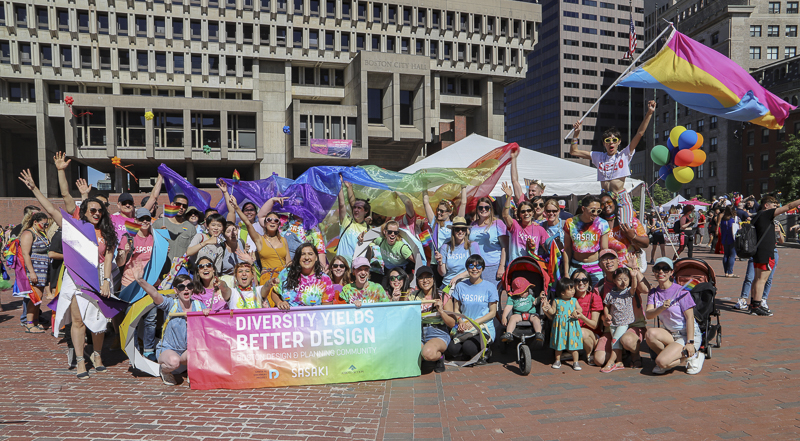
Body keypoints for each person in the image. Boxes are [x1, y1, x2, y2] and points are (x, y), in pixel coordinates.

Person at [19, 169, 117, 379]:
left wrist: (107, 281)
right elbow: (52, 210)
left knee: (99, 321)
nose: (96, 213)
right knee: (78, 320)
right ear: (85, 211)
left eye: (100, 210)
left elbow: (108, 259)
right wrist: (34, 188)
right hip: (77, 278)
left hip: (99, 277)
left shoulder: (107, 232)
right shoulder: (75, 227)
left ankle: (97, 355)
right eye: (92, 210)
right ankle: (81, 360)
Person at [570, 100, 656, 225]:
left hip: (620, 197)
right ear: (604, 143)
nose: (611, 143)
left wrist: (649, 113)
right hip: (605, 198)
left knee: (625, 227)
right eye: (607, 140)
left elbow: (640, 133)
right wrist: (576, 134)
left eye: (614, 140)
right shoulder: (598, 156)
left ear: (619, 142)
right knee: (603, 230)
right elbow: (574, 152)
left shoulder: (624, 154)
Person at [135, 272, 199, 386]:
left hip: (187, 351)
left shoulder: (199, 306)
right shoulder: (171, 304)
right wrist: (140, 280)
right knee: (174, 362)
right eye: (181, 287)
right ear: (176, 290)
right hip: (169, 349)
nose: (186, 289)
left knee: (198, 353)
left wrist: (207, 313)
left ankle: (192, 370)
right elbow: (155, 294)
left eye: (189, 286)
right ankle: (164, 370)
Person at [645, 257, 705, 375]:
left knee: (660, 362)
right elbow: (648, 315)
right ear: (654, 271)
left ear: (671, 272)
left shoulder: (681, 291)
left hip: (686, 334)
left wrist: (690, 342)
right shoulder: (654, 293)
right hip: (670, 333)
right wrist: (661, 308)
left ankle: (693, 356)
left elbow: (690, 318)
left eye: (665, 269)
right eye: (657, 268)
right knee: (650, 334)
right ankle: (674, 358)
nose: (661, 272)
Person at [745, 195, 800, 316]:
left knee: (757, 278)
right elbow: (789, 206)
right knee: (761, 279)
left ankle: (754, 303)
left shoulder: (758, 215)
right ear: (766, 205)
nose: (777, 208)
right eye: (774, 206)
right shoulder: (766, 214)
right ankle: (757, 306)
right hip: (765, 251)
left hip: (758, 251)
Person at [593, 249, 646, 369]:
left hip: (633, 324)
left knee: (627, 340)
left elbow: (646, 289)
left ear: (618, 261)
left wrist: (635, 270)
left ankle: (635, 356)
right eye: (604, 259)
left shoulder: (629, 279)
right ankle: (621, 355)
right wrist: (605, 318)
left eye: (611, 258)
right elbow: (601, 309)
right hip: (613, 325)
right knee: (599, 359)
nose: (608, 262)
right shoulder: (600, 286)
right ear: (600, 264)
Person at [116, 207, 157, 361]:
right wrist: (124, 252)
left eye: (147, 219)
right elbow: (120, 263)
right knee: (132, 318)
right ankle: (133, 351)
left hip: (150, 283)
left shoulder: (155, 237)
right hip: (130, 283)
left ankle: (148, 351)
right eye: (141, 219)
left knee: (151, 318)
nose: (144, 222)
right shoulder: (128, 237)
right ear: (136, 221)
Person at [447, 255, 499, 364]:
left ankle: (486, 351)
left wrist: (474, 322)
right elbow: (456, 309)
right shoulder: (460, 286)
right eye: (471, 266)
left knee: (468, 347)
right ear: (467, 268)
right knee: (452, 349)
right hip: (465, 325)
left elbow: (493, 313)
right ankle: (469, 354)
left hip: (482, 326)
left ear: (483, 268)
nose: (474, 269)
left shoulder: (490, 287)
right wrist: (460, 321)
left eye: (478, 266)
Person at [407, 266, 456, 373]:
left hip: (438, 332)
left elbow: (452, 323)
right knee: (408, 354)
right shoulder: (413, 296)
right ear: (417, 281)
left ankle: (439, 357)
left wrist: (441, 311)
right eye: (421, 278)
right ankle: (423, 356)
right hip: (418, 332)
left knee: (427, 353)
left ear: (433, 279)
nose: (425, 280)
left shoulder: (443, 295)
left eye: (428, 277)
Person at [257, 195, 328, 267]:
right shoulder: (282, 221)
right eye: (295, 204)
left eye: (301, 204)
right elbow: (262, 217)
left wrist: (322, 268)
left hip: (304, 269)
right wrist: (272, 200)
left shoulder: (312, 226)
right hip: (282, 269)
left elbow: (320, 249)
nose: (298, 207)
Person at [736, 219, 785, 312]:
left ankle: (763, 299)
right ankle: (744, 298)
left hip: (771, 252)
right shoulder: (758, 221)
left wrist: (778, 231)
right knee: (750, 277)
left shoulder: (776, 223)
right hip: (757, 251)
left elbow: (781, 241)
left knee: (768, 279)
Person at [563, 195, 610, 285]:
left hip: (596, 268)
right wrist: (566, 273)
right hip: (576, 267)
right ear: (583, 208)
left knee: (597, 295)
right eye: (592, 210)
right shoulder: (570, 222)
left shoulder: (602, 223)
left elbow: (604, 249)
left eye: (598, 210)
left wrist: (606, 271)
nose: (595, 213)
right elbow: (567, 249)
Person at [271, 243, 335, 309]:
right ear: (298, 258)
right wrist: (279, 302)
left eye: (310, 254)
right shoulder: (286, 273)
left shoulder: (324, 279)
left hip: (313, 318)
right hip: (287, 317)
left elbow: (327, 306)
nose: (306, 257)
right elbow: (274, 292)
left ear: (316, 258)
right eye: (302, 254)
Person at [600, 267, 638, 373]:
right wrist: (607, 315)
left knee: (615, 340)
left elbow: (634, 287)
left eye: (626, 279)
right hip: (614, 322)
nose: (623, 282)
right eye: (620, 279)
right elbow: (606, 305)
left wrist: (634, 276)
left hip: (624, 322)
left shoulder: (628, 292)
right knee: (616, 341)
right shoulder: (610, 294)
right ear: (614, 280)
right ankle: (619, 361)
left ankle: (611, 362)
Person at [18, 211, 50, 333]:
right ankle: (29, 323)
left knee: (39, 297)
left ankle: (35, 321)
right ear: (35, 222)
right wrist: (31, 272)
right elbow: (26, 254)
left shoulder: (40, 232)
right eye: (43, 224)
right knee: (34, 297)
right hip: (35, 268)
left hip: (42, 269)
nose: (45, 226)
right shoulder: (28, 233)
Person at [500, 182, 549, 262]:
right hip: (515, 266)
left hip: (532, 266)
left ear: (533, 212)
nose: (526, 213)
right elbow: (505, 215)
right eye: (523, 211)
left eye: (529, 210)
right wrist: (509, 197)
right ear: (519, 214)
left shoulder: (539, 229)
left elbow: (549, 248)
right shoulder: (515, 225)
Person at [600, 193, 648, 270]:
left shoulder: (629, 222)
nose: (606, 205)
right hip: (609, 271)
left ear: (614, 202)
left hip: (629, 269)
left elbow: (646, 243)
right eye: (602, 204)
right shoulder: (599, 225)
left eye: (608, 202)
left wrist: (632, 236)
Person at [542, 278, 582, 371]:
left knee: (574, 345)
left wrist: (577, 311)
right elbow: (552, 311)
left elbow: (580, 309)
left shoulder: (574, 300)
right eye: (570, 289)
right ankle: (557, 360)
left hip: (572, 326)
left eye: (573, 289)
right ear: (562, 292)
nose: (573, 291)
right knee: (558, 344)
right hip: (559, 327)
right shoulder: (556, 301)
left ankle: (575, 362)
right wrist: (546, 307)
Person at [423, 187, 467, 269]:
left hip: (451, 262)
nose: (439, 213)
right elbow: (426, 203)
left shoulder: (455, 223)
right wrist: (424, 186)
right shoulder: (435, 223)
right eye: (438, 210)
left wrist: (463, 187)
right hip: (436, 262)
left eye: (442, 211)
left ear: (450, 212)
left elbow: (463, 203)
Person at [469, 197, 508, 283]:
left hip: (493, 265)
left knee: (492, 294)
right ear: (477, 209)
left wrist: (502, 266)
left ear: (491, 209)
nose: (483, 209)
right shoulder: (473, 224)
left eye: (486, 207)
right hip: (475, 266)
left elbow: (505, 247)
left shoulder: (498, 223)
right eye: (480, 208)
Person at [152, 192, 197, 266]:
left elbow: (193, 252)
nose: (181, 207)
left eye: (184, 206)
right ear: (172, 204)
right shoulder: (159, 223)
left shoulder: (190, 228)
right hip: (161, 268)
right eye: (178, 204)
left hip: (181, 270)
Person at [336, 177, 372, 264]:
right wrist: (340, 186)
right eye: (355, 207)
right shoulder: (346, 221)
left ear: (366, 211)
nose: (356, 210)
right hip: (341, 265)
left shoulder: (368, 228)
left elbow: (369, 250)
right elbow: (341, 204)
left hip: (357, 267)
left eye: (359, 208)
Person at [571, 269, 603, 365]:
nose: (581, 283)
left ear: (588, 282)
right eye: (577, 281)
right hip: (572, 333)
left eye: (584, 280)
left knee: (582, 332)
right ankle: (576, 351)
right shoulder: (569, 299)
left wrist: (582, 317)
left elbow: (594, 325)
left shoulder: (594, 297)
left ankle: (589, 354)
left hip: (591, 334)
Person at [499, 278, 545, 344]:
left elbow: (534, 302)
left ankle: (539, 333)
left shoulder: (529, 296)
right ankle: (508, 333)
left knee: (536, 319)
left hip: (531, 313)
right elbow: (508, 308)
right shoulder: (512, 298)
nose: (527, 292)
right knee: (513, 318)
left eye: (527, 290)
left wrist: (539, 297)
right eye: (525, 291)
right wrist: (504, 317)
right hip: (519, 314)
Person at [369, 220, 415, 284]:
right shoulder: (380, 241)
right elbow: (367, 237)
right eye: (390, 232)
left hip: (401, 270)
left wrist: (411, 276)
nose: (392, 234)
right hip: (388, 269)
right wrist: (361, 237)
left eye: (395, 233)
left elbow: (417, 261)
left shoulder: (402, 247)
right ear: (385, 232)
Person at [435, 217, 474, 290]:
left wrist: (457, 277)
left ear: (466, 231)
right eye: (457, 229)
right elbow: (443, 273)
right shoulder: (445, 247)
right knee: (444, 299)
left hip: (466, 284)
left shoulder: (472, 245)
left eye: (463, 229)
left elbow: (475, 268)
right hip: (448, 284)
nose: (460, 231)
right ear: (453, 231)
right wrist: (440, 262)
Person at [718, 207, 739, 278]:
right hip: (732, 238)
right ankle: (730, 272)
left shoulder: (723, 219)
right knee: (732, 256)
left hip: (724, 238)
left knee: (726, 255)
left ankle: (726, 272)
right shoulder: (733, 219)